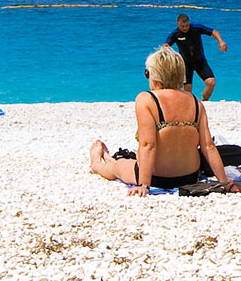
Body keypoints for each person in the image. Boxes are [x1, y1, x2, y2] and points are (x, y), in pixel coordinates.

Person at [89, 46, 229, 196]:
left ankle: (97, 163)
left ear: (154, 77)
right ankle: (108, 158)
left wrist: (144, 185)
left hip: (157, 178)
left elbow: (148, 145)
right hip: (190, 176)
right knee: (125, 163)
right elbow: (209, 146)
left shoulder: (147, 99)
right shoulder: (196, 102)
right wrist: (224, 182)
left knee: (118, 167)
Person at [163, 13, 228, 101]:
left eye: (186, 25)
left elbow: (213, 32)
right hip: (185, 64)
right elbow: (166, 45)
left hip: (200, 61)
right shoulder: (175, 34)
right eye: (182, 26)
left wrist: (221, 42)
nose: (185, 28)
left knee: (211, 83)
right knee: (188, 90)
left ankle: (205, 101)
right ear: (178, 24)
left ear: (189, 23)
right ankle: (190, 105)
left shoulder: (196, 28)